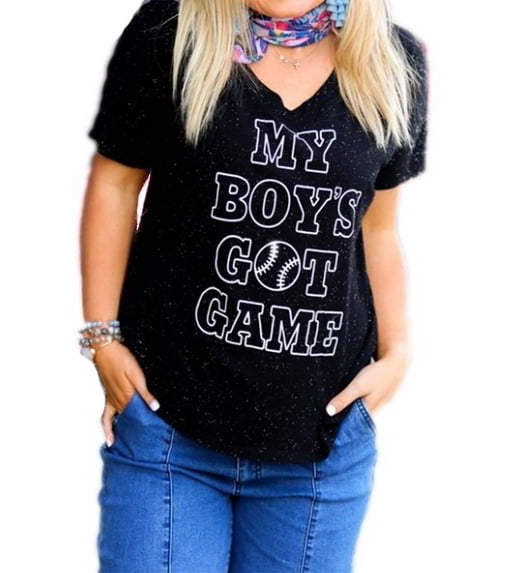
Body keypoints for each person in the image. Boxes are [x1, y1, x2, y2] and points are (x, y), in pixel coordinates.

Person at [79, 0, 427, 570]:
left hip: (321, 449)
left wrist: (399, 351)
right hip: (170, 429)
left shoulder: (393, 61)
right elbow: (115, 185)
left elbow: (378, 227)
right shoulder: (172, 33)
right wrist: (102, 339)